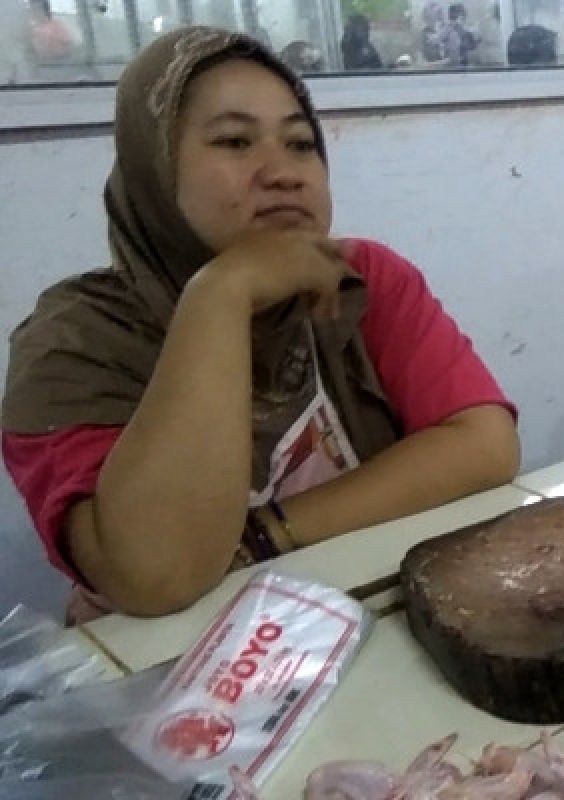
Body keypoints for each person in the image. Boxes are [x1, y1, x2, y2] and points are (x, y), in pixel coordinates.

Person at [1, 27, 520, 620]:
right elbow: (158, 575)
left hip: (367, 633)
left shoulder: (360, 280)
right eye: (234, 141)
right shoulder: (76, 342)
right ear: (155, 168)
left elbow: (484, 445)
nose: (284, 172)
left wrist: (264, 535)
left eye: (301, 144)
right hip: (180, 681)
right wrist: (222, 294)